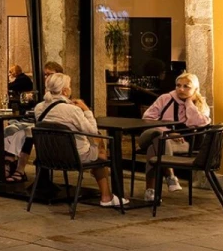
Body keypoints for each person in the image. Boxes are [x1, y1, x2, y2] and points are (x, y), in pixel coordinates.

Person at [33, 73, 127, 208]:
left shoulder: (39, 108)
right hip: (75, 157)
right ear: (65, 91)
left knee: (96, 147)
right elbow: (92, 131)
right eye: (69, 86)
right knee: (100, 144)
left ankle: (102, 184)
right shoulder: (72, 110)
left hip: (49, 157)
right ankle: (106, 195)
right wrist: (86, 109)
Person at [140, 72, 211, 202]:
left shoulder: (200, 104)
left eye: (186, 86)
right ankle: (170, 175)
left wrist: (189, 103)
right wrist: (168, 132)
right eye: (178, 85)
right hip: (153, 134)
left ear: (195, 89)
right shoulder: (165, 98)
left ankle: (150, 191)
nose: (181, 89)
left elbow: (198, 123)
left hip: (182, 141)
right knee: (159, 137)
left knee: (154, 148)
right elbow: (147, 119)